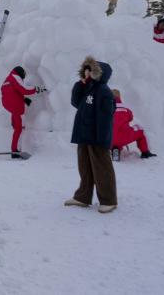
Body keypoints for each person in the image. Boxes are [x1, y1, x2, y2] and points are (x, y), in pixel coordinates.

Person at [65, 56, 118, 213]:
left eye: (90, 69)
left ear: (98, 73)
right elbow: (75, 102)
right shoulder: (87, 88)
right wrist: (81, 83)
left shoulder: (104, 91)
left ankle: (109, 200)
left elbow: (106, 117)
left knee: (102, 168)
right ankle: (83, 197)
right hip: (83, 134)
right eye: (86, 69)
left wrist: (102, 138)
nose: (87, 72)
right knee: (85, 168)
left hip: (97, 137)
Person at [0, 66, 37, 158]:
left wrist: (23, 99)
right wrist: (36, 89)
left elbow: (12, 93)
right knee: (19, 129)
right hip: (17, 108)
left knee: (17, 128)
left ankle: (15, 149)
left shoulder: (8, 79)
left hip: (9, 107)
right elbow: (24, 89)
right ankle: (16, 151)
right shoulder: (15, 77)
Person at [111, 89, 156, 160]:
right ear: (119, 97)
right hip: (124, 137)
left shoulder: (104, 108)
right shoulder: (125, 108)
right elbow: (131, 118)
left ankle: (115, 149)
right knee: (140, 130)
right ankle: (145, 152)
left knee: (113, 134)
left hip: (107, 139)